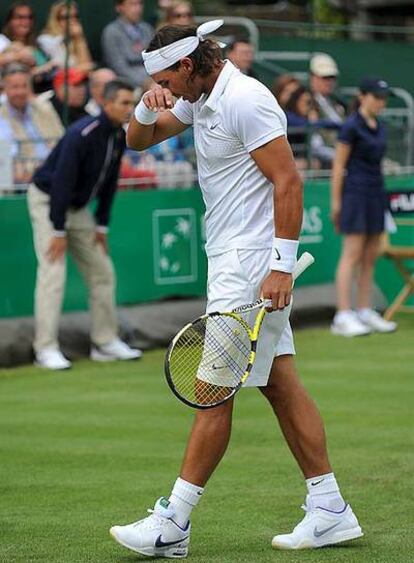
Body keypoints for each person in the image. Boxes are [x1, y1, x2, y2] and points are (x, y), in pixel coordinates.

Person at [109, 21, 363, 557]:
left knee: (212, 392)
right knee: (280, 385)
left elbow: (288, 181)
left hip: (250, 267)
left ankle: (173, 523)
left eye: (165, 79)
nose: (166, 88)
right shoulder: (200, 97)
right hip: (230, 260)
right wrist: (146, 103)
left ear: (187, 65)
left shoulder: (245, 98)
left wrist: (279, 266)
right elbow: (138, 139)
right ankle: (331, 508)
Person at [28, 80, 142, 370]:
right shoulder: (81, 134)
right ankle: (46, 349)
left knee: (102, 271)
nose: (130, 109)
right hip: (48, 201)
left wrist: (102, 225)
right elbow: (61, 182)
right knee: (53, 272)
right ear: (106, 103)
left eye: (132, 103)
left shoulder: (118, 136)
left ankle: (104, 343)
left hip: (77, 209)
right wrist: (57, 229)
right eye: (125, 103)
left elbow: (110, 183)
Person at [330, 77, 398, 337]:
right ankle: (343, 315)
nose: (380, 102)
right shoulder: (350, 127)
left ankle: (364, 310)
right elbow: (338, 166)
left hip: (376, 193)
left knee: (371, 255)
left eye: (383, 98)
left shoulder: (379, 126)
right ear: (362, 96)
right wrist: (336, 203)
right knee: (352, 254)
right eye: (376, 97)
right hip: (355, 194)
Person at [0, 63, 63, 186]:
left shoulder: (45, 109)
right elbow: (7, 168)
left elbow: (61, 140)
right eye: (15, 87)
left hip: (56, 173)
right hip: (24, 183)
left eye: (25, 86)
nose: (21, 92)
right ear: (4, 88)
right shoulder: (2, 117)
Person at [101, 0, 154, 90]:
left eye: (140, 3)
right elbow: (119, 67)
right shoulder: (111, 32)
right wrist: (144, 82)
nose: (138, 8)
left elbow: (154, 59)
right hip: (127, 84)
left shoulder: (147, 29)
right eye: (132, 4)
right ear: (119, 7)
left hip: (153, 79)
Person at [309, 53, 346, 167]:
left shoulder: (336, 103)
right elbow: (315, 144)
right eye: (325, 77)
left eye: (332, 78)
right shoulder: (308, 103)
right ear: (313, 78)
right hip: (328, 157)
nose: (329, 82)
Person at [37, 1, 94, 74]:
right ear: (56, 19)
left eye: (75, 16)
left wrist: (79, 39)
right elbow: (65, 68)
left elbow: (88, 71)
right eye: (66, 17)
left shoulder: (76, 37)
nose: (72, 20)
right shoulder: (46, 39)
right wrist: (86, 67)